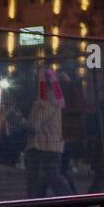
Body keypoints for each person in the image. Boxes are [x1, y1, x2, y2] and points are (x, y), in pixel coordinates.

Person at [26, 68, 73, 198]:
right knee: (51, 179)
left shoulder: (46, 100)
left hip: (42, 146)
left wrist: (20, 121)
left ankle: (72, 201)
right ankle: (72, 201)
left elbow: (34, 125)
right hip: (55, 146)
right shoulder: (57, 100)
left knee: (37, 181)